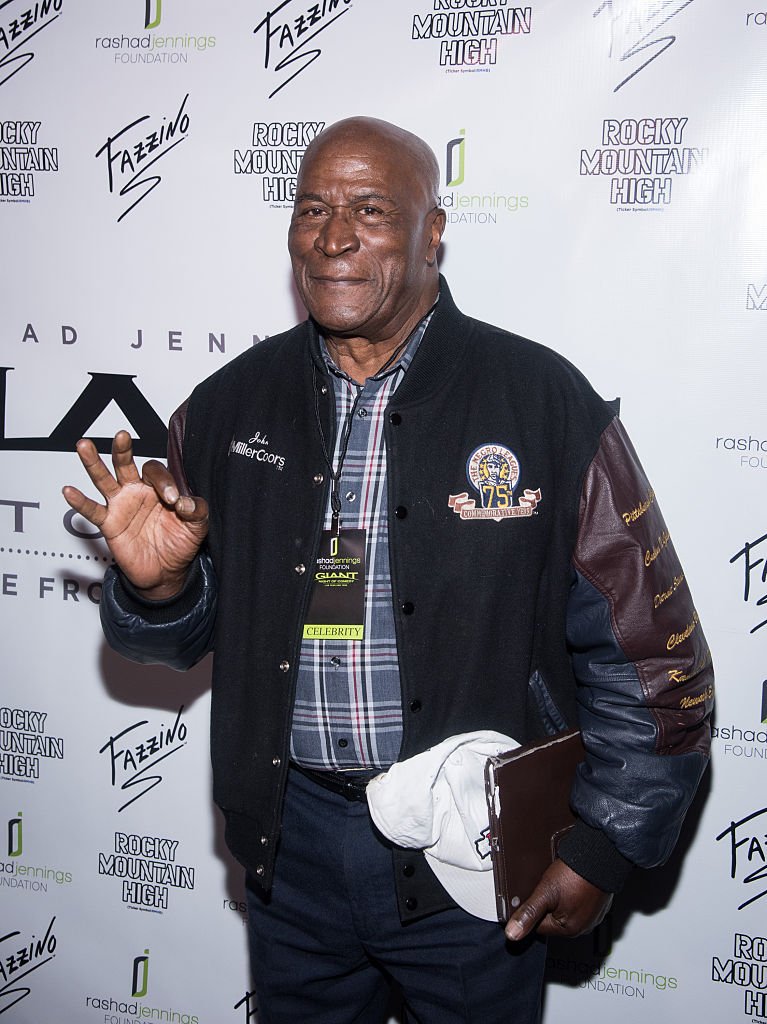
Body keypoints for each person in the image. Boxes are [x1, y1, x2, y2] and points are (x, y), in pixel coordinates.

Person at [63, 116, 713, 1023]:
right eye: (312, 208)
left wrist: (600, 845)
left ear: (431, 232)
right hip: (291, 852)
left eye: (370, 209)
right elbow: (179, 642)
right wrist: (157, 588)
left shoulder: (540, 401)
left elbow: (647, 656)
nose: (333, 237)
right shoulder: (224, 408)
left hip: (474, 856)